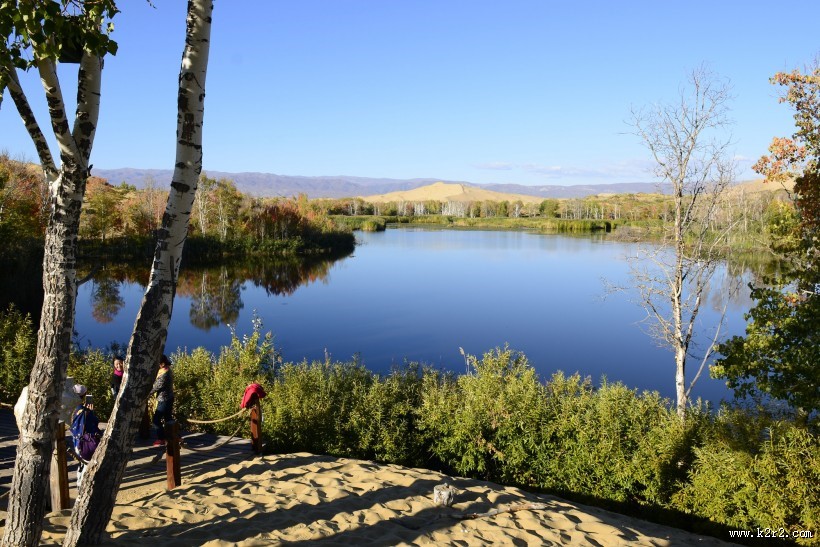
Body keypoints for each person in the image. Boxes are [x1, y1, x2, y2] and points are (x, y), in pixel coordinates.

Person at [69, 384, 101, 483]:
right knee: (86, 465)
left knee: (81, 464)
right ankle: (82, 486)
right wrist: (91, 412)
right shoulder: (85, 411)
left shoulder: (70, 409)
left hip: (76, 442)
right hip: (85, 442)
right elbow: (93, 425)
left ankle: (79, 482)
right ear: (84, 395)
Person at [149, 354, 174, 447]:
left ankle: (161, 439)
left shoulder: (164, 374)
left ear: (162, 364)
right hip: (169, 397)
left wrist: (145, 395)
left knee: (156, 420)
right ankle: (176, 437)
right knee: (168, 418)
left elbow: (156, 387)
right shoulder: (166, 370)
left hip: (164, 399)